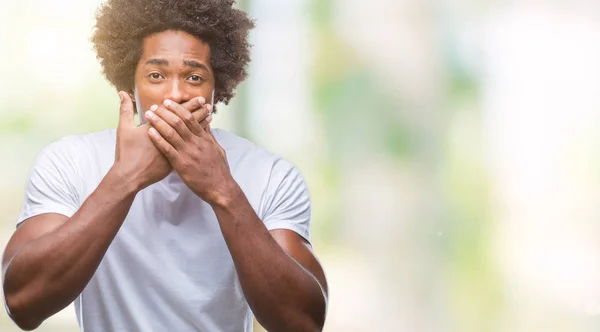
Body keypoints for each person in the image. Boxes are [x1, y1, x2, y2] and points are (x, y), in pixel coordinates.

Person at [1, 0, 328, 331]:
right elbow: (22, 304)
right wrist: (123, 180)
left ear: (218, 87)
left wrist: (223, 191)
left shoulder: (271, 175)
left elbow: (302, 323)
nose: (175, 95)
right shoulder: (70, 161)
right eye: (156, 75)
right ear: (130, 84)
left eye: (194, 76)